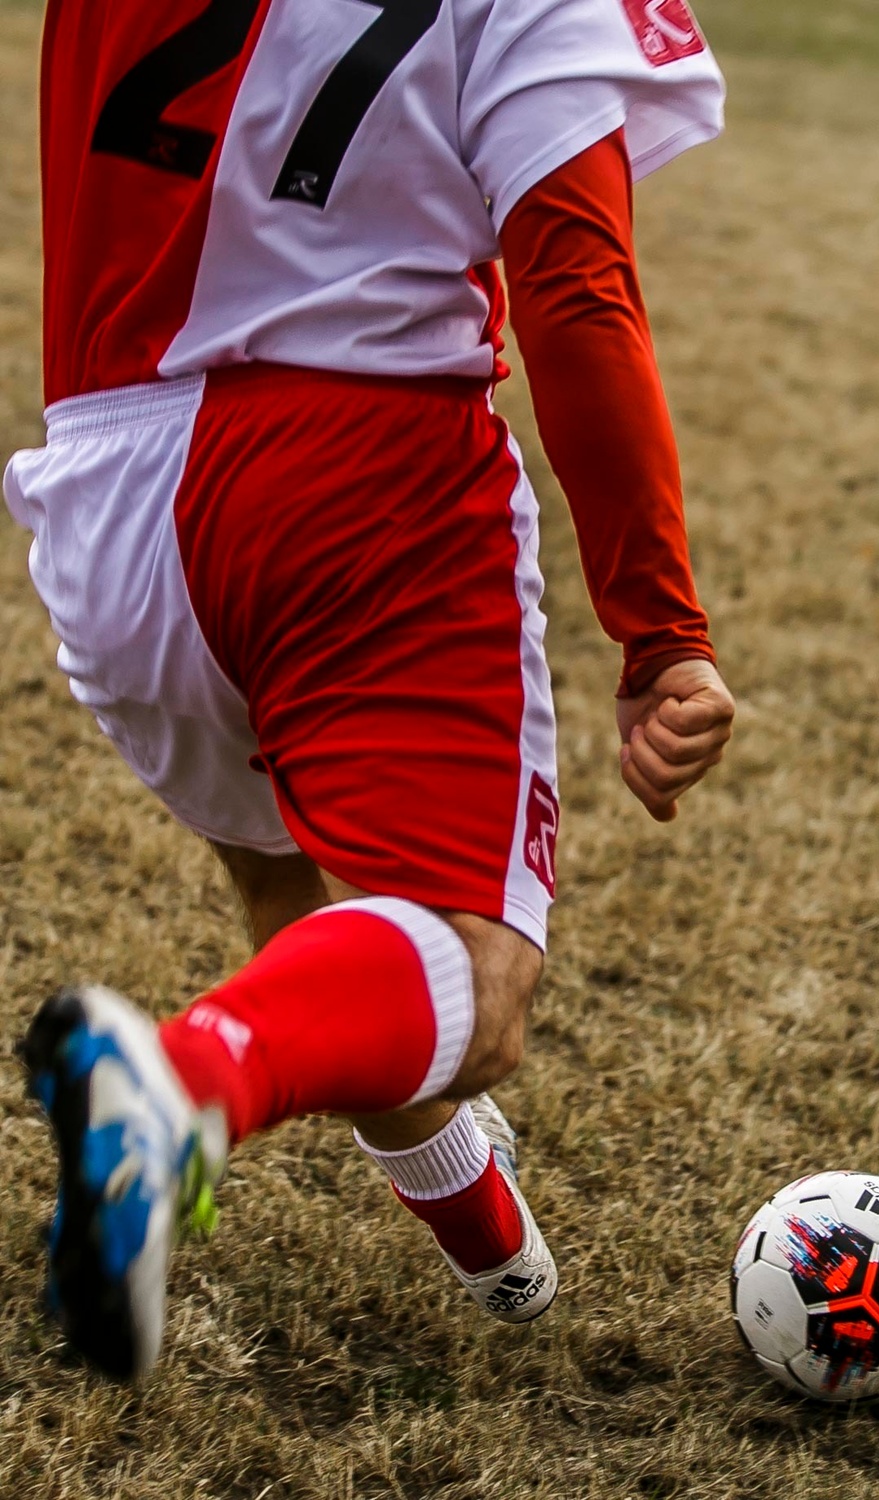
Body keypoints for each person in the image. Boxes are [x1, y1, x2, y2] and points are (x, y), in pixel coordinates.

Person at [5, 0, 735, 1381]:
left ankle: (499, 1253)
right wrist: (662, 630)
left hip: (101, 485)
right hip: (350, 477)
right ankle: (178, 1091)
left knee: (323, 936)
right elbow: (574, 283)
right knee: (476, 973)